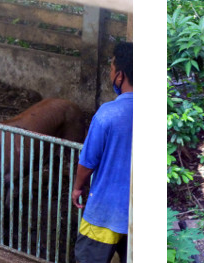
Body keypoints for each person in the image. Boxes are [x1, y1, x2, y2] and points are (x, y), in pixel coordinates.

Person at [71, 42, 133, 263]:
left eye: (111, 69)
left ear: (120, 76)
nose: (110, 73)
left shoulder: (107, 115)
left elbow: (87, 162)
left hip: (105, 211)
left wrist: (78, 188)